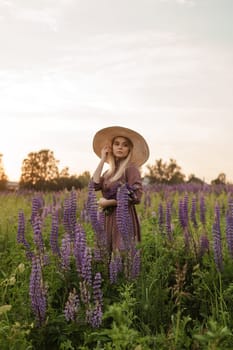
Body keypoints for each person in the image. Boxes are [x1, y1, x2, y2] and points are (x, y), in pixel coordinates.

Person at [92, 126, 149, 254]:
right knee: (107, 255)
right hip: (107, 218)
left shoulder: (131, 169)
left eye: (124, 145)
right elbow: (94, 185)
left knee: (122, 254)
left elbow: (137, 196)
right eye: (116, 144)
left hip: (123, 218)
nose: (120, 147)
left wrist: (109, 203)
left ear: (129, 149)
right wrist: (102, 159)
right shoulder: (109, 172)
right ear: (111, 147)